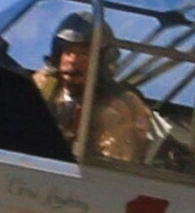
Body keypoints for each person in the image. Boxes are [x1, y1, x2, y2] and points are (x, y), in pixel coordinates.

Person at [35, 16, 159, 166]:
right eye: (68, 52)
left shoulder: (120, 106)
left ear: (101, 62)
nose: (73, 61)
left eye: (84, 54)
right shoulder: (42, 87)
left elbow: (115, 165)